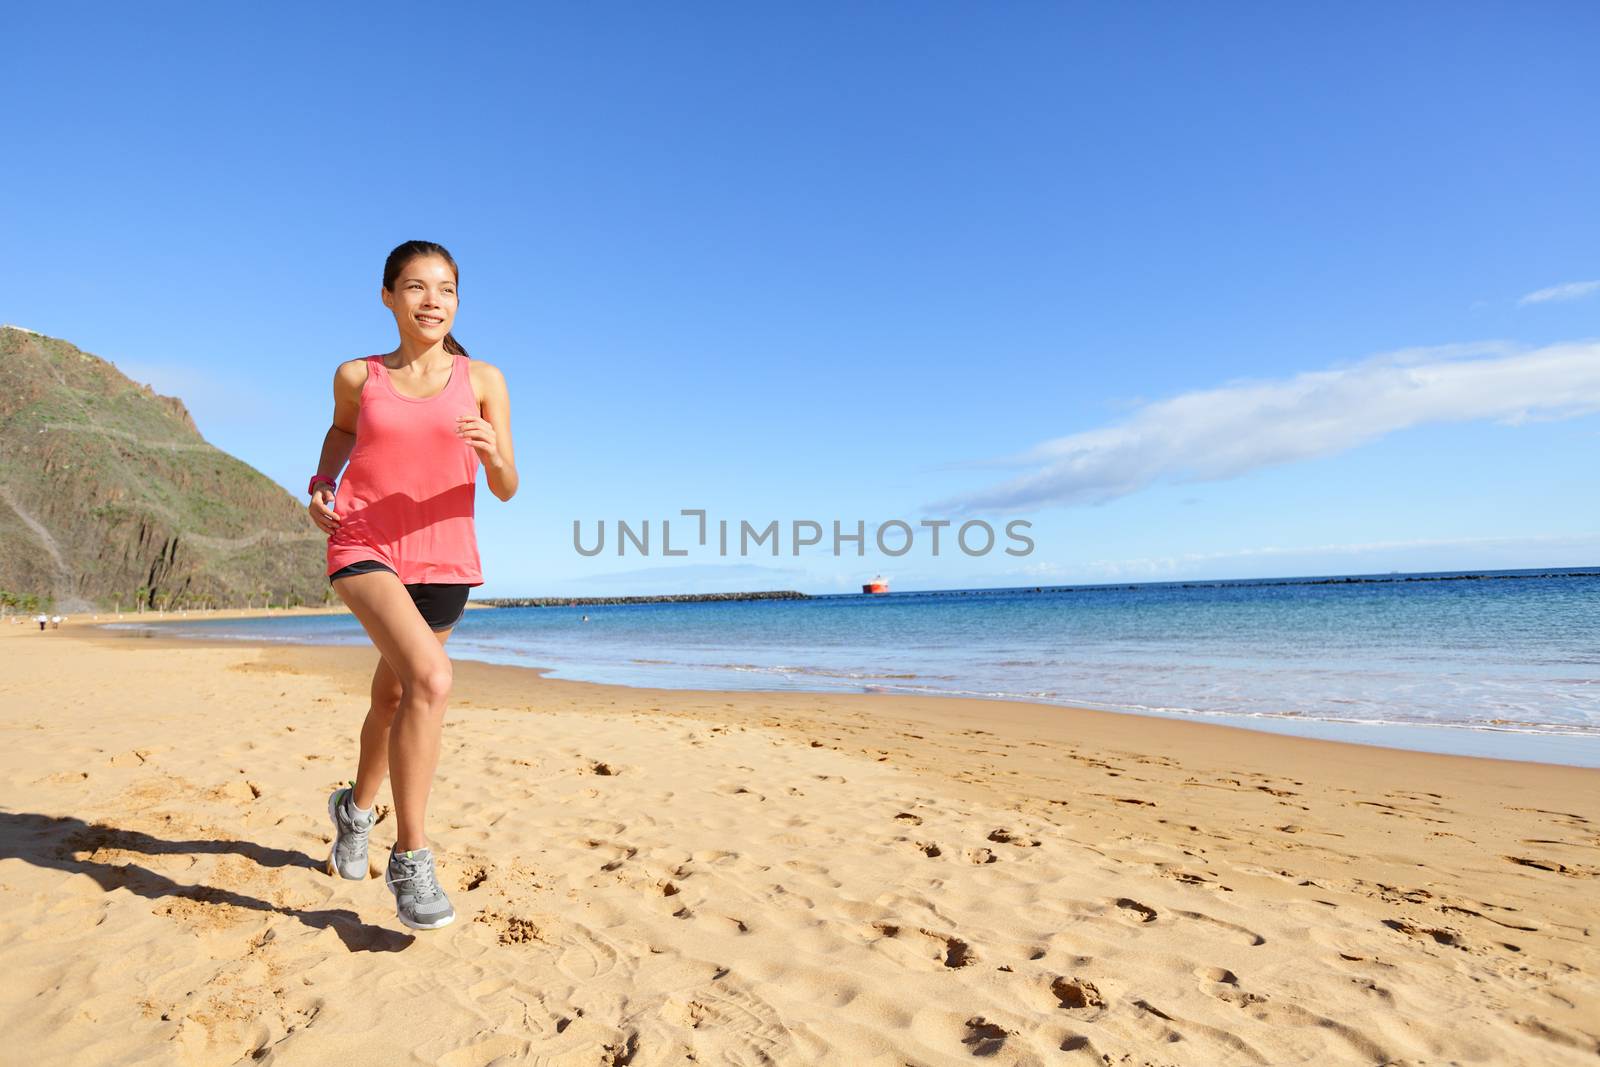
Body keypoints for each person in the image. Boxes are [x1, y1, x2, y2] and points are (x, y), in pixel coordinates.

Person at [306, 240, 519, 930]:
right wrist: (321, 483)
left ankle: (355, 810)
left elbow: (509, 486)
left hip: (446, 558)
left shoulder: (483, 379)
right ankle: (411, 857)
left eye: (447, 289)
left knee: (394, 692)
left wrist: (491, 455)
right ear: (389, 297)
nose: (434, 300)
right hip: (364, 542)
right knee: (431, 678)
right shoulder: (357, 376)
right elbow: (341, 435)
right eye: (418, 287)